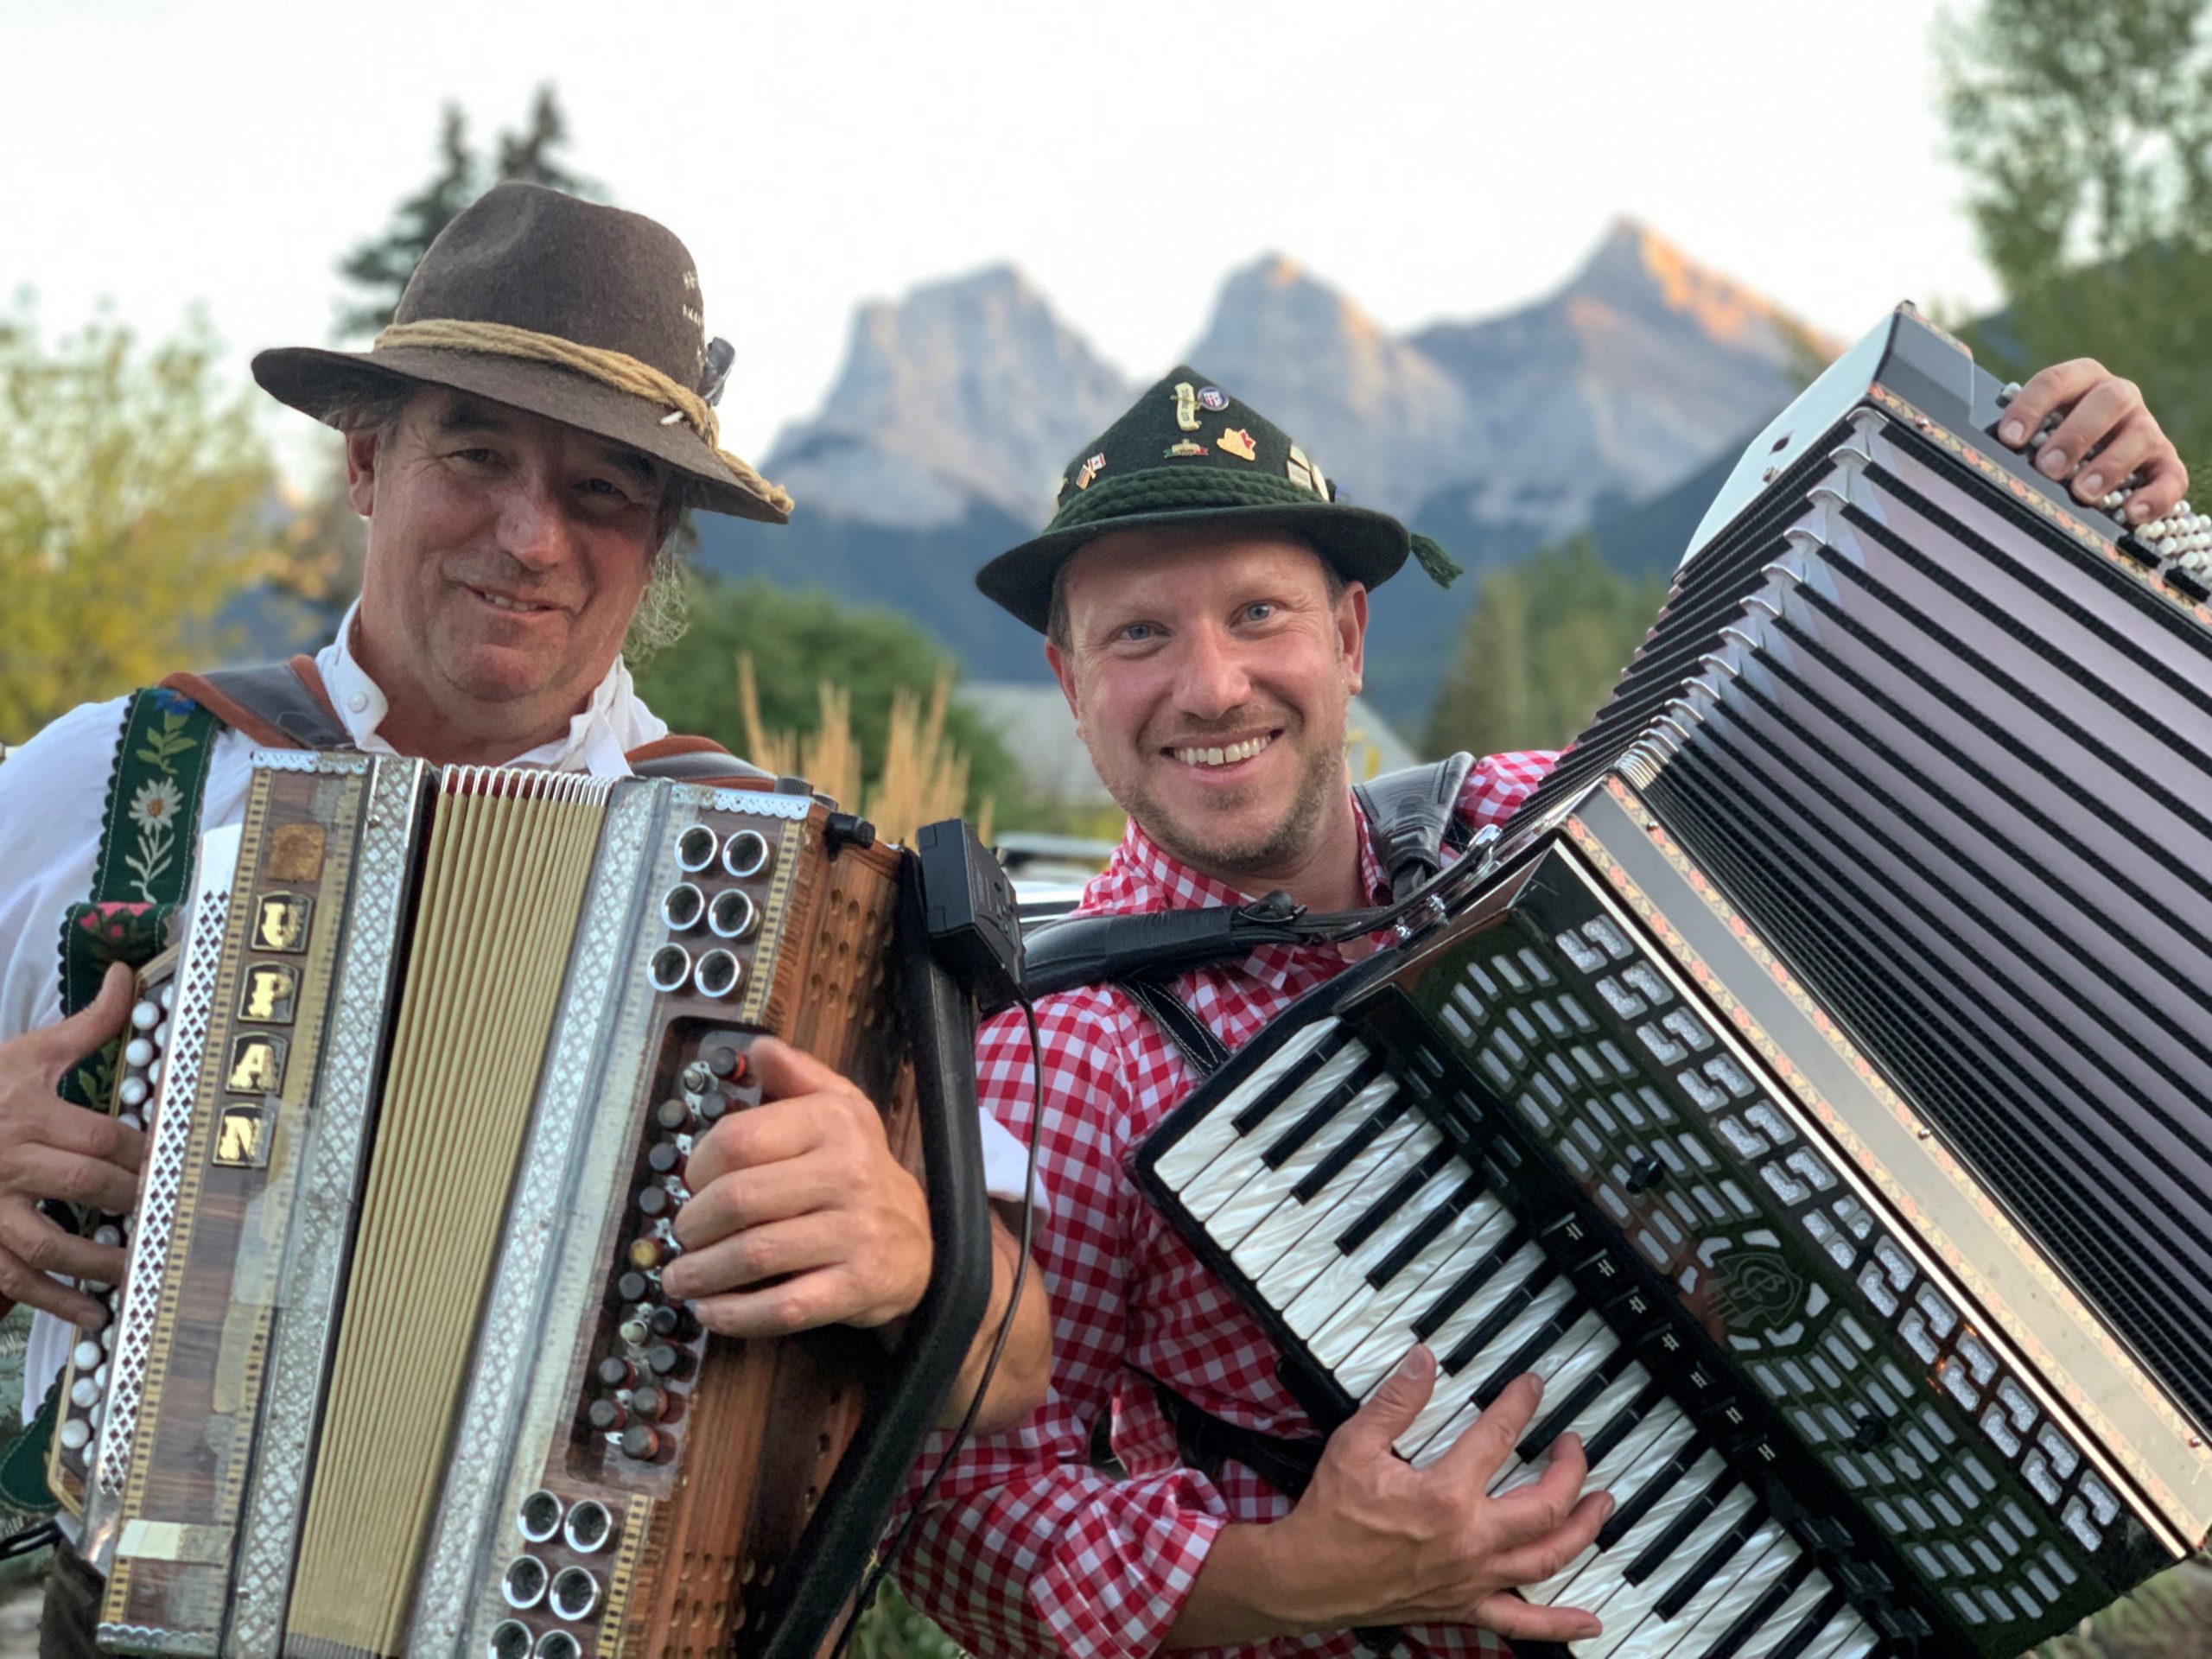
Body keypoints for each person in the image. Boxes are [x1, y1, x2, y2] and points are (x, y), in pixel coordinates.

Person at [893, 359, 2186, 1659]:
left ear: (1346, 639)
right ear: (1071, 685)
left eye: (1258, 614)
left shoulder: (1546, 820)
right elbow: (958, 1507)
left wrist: (2080, 535)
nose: (1215, 685)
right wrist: (1295, 1573)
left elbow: (1924, 811)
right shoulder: (1048, 1052)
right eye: (1140, 635)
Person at [0, 182, 1049, 1653]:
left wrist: (915, 1257)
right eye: (476, 455)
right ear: (366, 463)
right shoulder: (119, 778)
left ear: (660, 538)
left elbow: (1014, 1357)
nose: (530, 534)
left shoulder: (803, 892)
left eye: (603, 491)